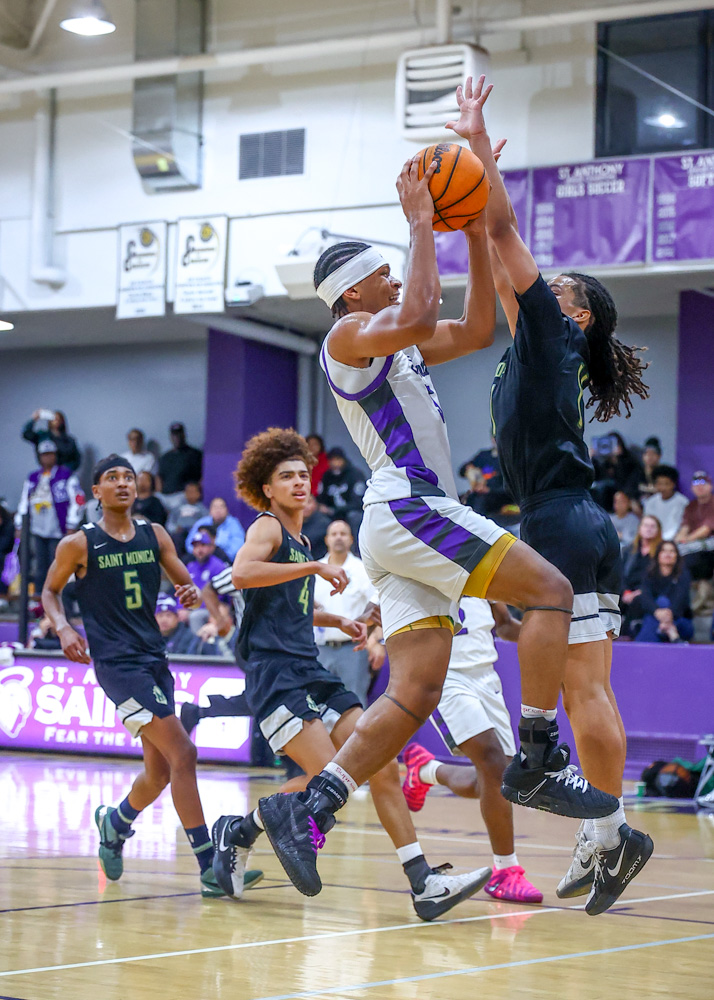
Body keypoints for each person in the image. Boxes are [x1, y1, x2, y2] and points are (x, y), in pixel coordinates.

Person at [256, 100, 620, 912]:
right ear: (355, 291)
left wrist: (470, 227)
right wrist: (422, 221)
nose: (397, 278)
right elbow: (419, 310)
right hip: (410, 506)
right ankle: (537, 752)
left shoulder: (397, 337)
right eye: (384, 274)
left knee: (415, 690)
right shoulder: (348, 338)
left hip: (402, 527)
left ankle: (308, 806)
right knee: (553, 590)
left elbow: (480, 326)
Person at [454, 75, 652, 914]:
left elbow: (502, 234)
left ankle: (594, 815)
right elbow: (494, 248)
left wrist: (477, 144)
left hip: (560, 521)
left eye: (555, 285)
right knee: (588, 691)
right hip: (578, 518)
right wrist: (475, 186)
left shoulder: (548, 331)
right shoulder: (537, 341)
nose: (537, 285)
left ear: (574, 314)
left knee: (578, 694)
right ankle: (609, 834)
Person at [211, 429, 492, 919]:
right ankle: (237, 831)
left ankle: (423, 882)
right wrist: (314, 568)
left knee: (377, 762)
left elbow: (288, 606)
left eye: (303, 474)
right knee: (326, 777)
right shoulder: (268, 529)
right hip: (274, 673)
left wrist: (335, 619)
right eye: (286, 476)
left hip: (309, 667)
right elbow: (241, 574)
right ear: (267, 488)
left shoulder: (301, 541)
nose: (299, 482)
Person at [40, 454, 261, 898]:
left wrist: (188, 591)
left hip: (155, 659)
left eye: (128, 476)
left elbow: (188, 588)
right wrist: (63, 627)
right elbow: (49, 590)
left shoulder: (154, 534)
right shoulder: (78, 544)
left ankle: (115, 822)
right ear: (97, 491)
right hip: (119, 667)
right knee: (185, 752)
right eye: (112, 478)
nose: (123, 483)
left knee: (159, 774)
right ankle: (210, 866)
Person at [402, 597, 542, 904]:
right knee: (493, 763)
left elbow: (504, 625)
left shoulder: (484, 574)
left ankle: (426, 770)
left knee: (499, 782)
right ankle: (505, 870)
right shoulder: (423, 571)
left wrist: (552, 638)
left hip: (487, 678)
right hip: (446, 676)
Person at [314, 519, 377, 708]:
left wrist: (374, 638)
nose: (338, 538)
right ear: (326, 539)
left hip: (352, 648)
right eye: (334, 534)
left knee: (355, 703)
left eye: (343, 534)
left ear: (351, 539)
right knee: (318, 705)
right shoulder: (316, 570)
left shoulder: (362, 569)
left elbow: (377, 604)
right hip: (319, 649)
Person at [15, 440, 84, 597]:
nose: (47, 458)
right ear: (39, 457)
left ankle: (59, 598)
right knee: (40, 566)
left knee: (58, 563)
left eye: (50, 454)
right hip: (37, 528)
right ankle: (39, 598)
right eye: (44, 455)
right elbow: (24, 502)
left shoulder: (66, 475)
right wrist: (19, 524)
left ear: (55, 455)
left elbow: (78, 500)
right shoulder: (33, 478)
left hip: (58, 529)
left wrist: (71, 524)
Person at [635, 541, 693, 643]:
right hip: (654, 618)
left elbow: (680, 601)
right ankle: (671, 633)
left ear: (677, 556)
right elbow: (646, 597)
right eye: (664, 551)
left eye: (672, 551)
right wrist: (656, 612)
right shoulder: (649, 574)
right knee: (657, 608)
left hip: (680, 622)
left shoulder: (683, 575)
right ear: (658, 555)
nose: (668, 554)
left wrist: (667, 616)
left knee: (662, 602)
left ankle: (643, 649)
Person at [675, 471, 714, 606]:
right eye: (696, 483)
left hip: (708, 546)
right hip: (693, 546)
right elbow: (684, 527)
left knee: (688, 557)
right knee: (673, 552)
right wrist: (677, 541)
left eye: (703, 482)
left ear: (710, 486)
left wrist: (687, 540)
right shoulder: (691, 506)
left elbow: (706, 529)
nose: (699, 486)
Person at [620, 514, 662, 638]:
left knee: (639, 600)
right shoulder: (628, 550)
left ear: (658, 530)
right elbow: (620, 574)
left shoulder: (661, 551)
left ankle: (627, 634)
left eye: (652, 526)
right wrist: (625, 592)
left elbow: (659, 578)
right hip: (627, 590)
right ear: (639, 528)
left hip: (648, 591)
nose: (649, 529)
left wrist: (639, 592)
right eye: (646, 525)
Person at [316, 447, 367, 538]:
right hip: (331, 514)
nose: (335, 463)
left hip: (350, 512)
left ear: (343, 460)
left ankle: (356, 546)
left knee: (354, 517)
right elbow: (321, 498)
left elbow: (358, 502)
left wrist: (336, 510)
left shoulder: (355, 475)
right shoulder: (327, 476)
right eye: (332, 460)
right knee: (318, 518)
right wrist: (322, 507)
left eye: (338, 459)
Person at [155, 592, 224, 656]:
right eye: (160, 616)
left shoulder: (188, 636)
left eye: (168, 615)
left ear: (177, 618)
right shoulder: (152, 636)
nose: (164, 620)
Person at [186, 497, 245, 561]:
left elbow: (238, 546)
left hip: (225, 558)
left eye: (221, 507)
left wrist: (217, 557)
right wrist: (201, 552)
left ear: (227, 510)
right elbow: (189, 544)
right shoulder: (201, 523)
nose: (218, 510)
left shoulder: (234, 524)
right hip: (201, 558)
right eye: (215, 507)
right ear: (210, 511)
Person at [643, 465, 689, 541]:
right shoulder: (650, 502)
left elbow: (681, 527)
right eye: (659, 484)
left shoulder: (683, 502)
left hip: (674, 541)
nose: (663, 488)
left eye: (667, 484)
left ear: (673, 484)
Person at [157, 422, 203, 495]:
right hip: (166, 496)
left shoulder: (195, 454)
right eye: (174, 435)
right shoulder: (165, 457)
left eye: (179, 434)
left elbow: (202, 477)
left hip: (184, 495)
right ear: (171, 437)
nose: (177, 437)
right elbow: (159, 478)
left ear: (184, 435)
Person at [166, 481, 208, 552]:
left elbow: (206, 522)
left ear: (199, 494)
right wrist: (175, 529)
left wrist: (196, 529)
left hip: (194, 532)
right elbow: (170, 523)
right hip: (179, 533)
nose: (190, 494)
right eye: (188, 492)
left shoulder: (202, 509)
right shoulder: (177, 508)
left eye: (193, 492)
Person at [301, 492, 332, 559]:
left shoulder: (324, 523)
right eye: (301, 502)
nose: (305, 506)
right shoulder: (288, 523)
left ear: (315, 504)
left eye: (309, 502)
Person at [636, 437, 662, 505]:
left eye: (653, 453)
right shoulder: (637, 473)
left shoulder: (664, 473)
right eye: (647, 453)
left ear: (659, 456)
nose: (650, 457)